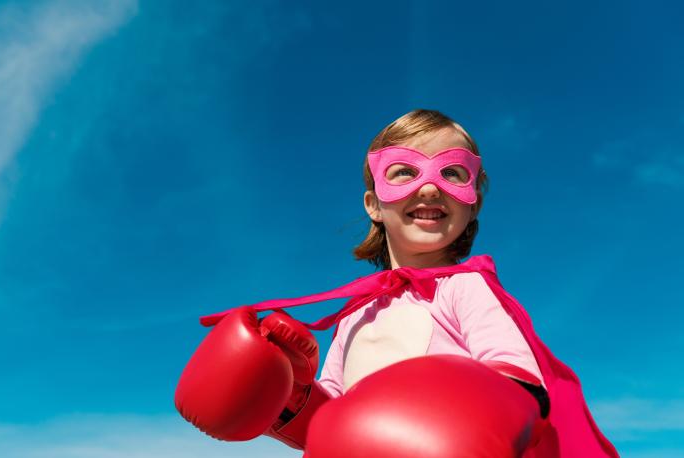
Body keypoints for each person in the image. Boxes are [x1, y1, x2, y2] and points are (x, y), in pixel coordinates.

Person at [175, 109, 619, 457]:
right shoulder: (355, 315)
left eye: (452, 172)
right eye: (405, 171)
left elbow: (520, 385)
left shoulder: (463, 289)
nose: (429, 188)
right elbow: (331, 426)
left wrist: (460, 426)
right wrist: (290, 398)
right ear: (373, 204)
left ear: (473, 204)